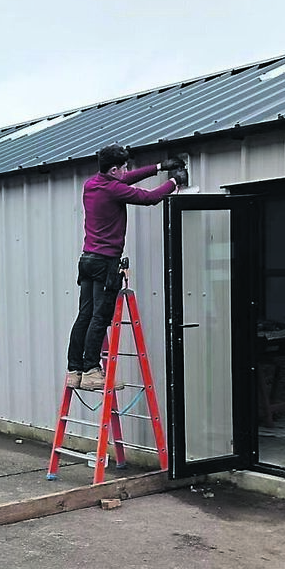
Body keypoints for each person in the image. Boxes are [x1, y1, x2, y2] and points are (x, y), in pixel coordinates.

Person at [66, 144, 187, 391]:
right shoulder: (114, 190)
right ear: (113, 170)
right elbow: (150, 198)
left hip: (87, 260)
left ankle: (74, 370)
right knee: (100, 317)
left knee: (84, 315)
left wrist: (158, 167)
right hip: (105, 262)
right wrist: (174, 182)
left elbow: (124, 180)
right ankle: (91, 371)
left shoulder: (91, 184)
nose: (126, 170)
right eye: (123, 167)